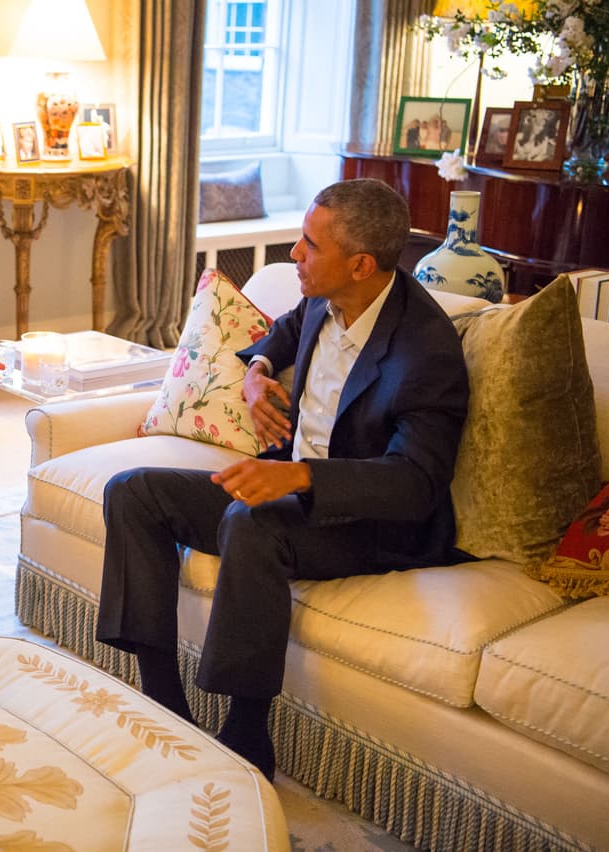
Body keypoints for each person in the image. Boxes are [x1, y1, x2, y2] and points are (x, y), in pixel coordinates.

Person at [94, 178, 469, 780]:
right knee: (133, 491)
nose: (294, 254)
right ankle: (163, 699)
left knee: (253, 520)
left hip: (371, 525)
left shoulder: (424, 350)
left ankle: (246, 736)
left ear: (361, 264)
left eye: (308, 244)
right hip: (293, 496)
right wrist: (257, 370)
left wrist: (298, 475)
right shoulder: (326, 297)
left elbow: (415, 484)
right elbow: (286, 330)